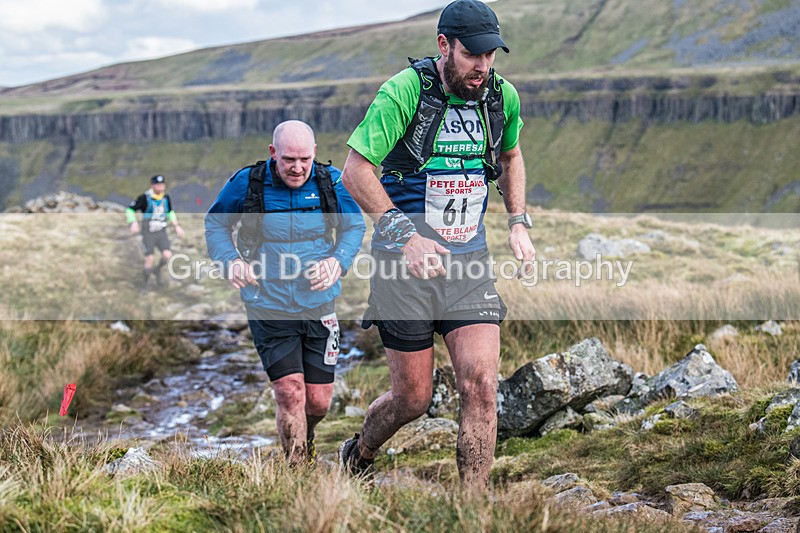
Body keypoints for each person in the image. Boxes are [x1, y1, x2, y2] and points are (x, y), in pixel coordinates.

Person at [338, 0, 535, 489]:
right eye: (471, 55)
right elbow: (356, 171)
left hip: (468, 264)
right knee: (413, 399)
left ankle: (473, 509)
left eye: (490, 55)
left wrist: (517, 222)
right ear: (444, 45)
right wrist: (406, 236)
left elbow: (511, 156)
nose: (482, 66)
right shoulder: (404, 92)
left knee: (481, 386)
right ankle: (359, 452)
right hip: (402, 267)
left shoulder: (501, 97)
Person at [205, 120, 366, 465]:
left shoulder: (331, 181)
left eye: (305, 159)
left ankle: (307, 435)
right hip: (267, 304)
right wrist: (231, 260)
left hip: (319, 304)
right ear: (272, 153)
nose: (297, 168)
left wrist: (338, 261)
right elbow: (215, 223)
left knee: (318, 401)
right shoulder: (247, 183)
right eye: (289, 159)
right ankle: (297, 469)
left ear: (315, 153)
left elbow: (354, 226)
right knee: (289, 392)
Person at [126, 175, 184, 291]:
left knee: (167, 255)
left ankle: (157, 270)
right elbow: (130, 210)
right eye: (158, 185)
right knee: (150, 258)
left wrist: (176, 226)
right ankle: (145, 285)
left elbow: (170, 212)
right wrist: (133, 222)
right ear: (153, 185)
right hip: (148, 233)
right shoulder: (145, 198)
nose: (160, 187)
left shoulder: (166, 198)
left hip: (161, 232)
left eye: (162, 184)